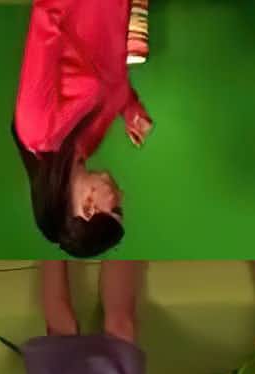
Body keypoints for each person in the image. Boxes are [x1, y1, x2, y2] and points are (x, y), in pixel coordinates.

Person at [13, 0, 153, 258]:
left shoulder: (37, 128)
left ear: (89, 209)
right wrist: (130, 109)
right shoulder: (86, 145)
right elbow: (112, 79)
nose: (121, 196)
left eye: (116, 209)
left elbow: (46, 16)